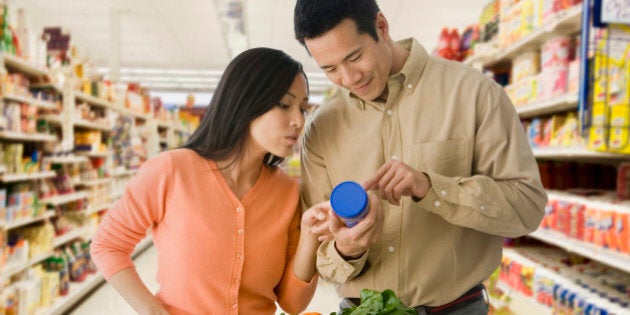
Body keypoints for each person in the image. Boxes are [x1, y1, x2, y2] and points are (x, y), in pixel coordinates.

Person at [294, 0, 548, 313]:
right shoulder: (321, 129)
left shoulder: (474, 94)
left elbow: (527, 209)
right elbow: (320, 254)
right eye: (330, 69)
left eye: (355, 57)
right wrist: (346, 249)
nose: (349, 78)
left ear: (382, 27)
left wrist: (431, 188)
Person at [90, 47, 330, 314]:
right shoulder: (171, 171)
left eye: (303, 108)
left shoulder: (287, 192)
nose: (298, 121)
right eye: (285, 105)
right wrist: (153, 311)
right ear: (247, 101)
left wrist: (310, 236)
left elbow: (292, 304)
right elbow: (108, 245)